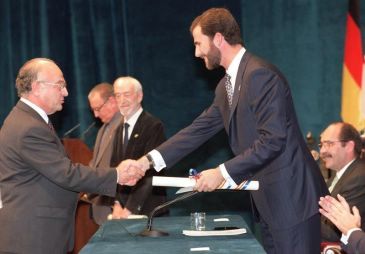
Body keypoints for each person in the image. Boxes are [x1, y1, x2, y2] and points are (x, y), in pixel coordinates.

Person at [135, 8, 328, 253]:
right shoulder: (225, 85)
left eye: (198, 43)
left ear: (218, 39)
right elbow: (198, 130)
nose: (196, 52)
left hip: (291, 202)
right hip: (270, 202)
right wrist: (146, 161)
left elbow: (273, 140)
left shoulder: (259, 75)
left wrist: (221, 172)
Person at [0, 58, 144, 254]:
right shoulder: (28, 127)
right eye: (60, 85)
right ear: (37, 87)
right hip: (33, 238)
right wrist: (117, 174)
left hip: (37, 234)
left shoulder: (27, 120)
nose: (66, 92)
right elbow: (66, 174)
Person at [110, 76, 167, 219]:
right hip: (122, 212)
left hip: (148, 211)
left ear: (139, 96)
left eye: (127, 94)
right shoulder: (118, 130)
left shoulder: (153, 125)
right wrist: (116, 203)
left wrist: (130, 209)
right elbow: (114, 170)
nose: (122, 101)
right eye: (118, 95)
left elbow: (151, 171)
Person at [319, 122, 365, 242]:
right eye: (322, 145)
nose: (322, 151)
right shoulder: (339, 173)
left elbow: (334, 232)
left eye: (329, 144)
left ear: (349, 146)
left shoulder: (359, 177)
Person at [86, 82, 123, 225]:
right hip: (102, 208)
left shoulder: (125, 125)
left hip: (117, 209)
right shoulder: (103, 129)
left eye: (98, 109)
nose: (95, 115)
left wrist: (118, 202)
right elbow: (96, 163)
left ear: (112, 101)